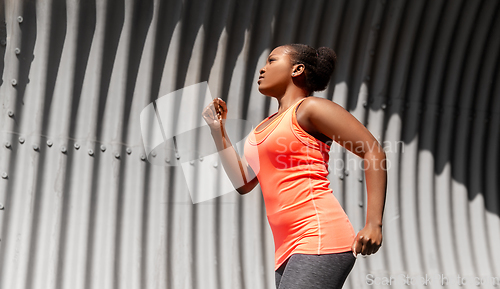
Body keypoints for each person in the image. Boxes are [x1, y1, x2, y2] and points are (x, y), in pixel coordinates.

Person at [202, 44, 387, 289]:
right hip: (286, 249)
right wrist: (218, 131)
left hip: (319, 235)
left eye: (272, 61)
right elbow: (244, 183)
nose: (262, 68)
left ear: (297, 70)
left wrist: (374, 223)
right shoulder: (261, 129)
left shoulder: (310, 109)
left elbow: (372, 150)